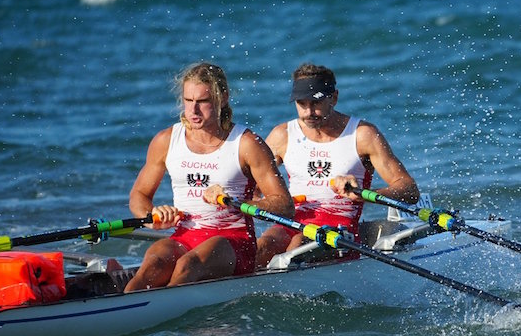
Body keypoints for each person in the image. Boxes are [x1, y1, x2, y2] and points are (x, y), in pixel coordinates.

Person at [124, 62, 294, 291]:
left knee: (187, 265)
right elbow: (139, 195)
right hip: (184, 236)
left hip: (234, 242)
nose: (193, 110)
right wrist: (151, 216)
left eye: (202, 102)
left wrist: (235, 203)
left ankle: (165, 310)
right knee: (152, 265)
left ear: (222, 98)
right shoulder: (166, 141)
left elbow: (285, 205)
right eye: (188, 100)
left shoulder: (246, 144)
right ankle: (126, 307)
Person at [255, 62, 419, 267]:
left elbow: (409, 190)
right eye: (301, 104)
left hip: (339, 232)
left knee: (296, 248)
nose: (308, 112)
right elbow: (253, 189)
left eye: (315, 103)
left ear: (334, 98)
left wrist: (362, 194)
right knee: (261, 248)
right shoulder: (282, 136)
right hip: (292, 223)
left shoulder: (363, 135)